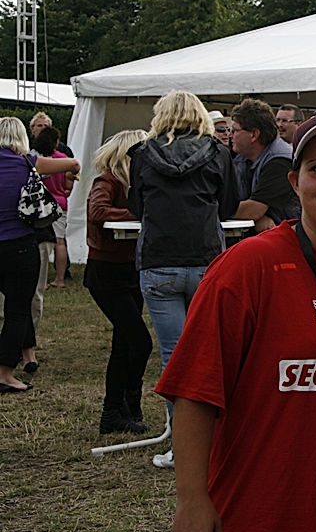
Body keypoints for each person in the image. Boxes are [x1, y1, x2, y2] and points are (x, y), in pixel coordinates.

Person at [156, 111, 316, 532]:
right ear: (292, 181)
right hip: (257, 526)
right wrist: (192, 500)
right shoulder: (247, 266)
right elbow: (195, 390)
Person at [130, 90, 238, 468]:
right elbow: (228, 206)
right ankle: (220, 443)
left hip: (159, 260)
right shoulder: (218, 152)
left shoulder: (143, 154)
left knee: (175, 360)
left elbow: (135, 207)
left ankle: (184, 448)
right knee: (212, 356)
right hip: (207, 259)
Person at [0, 117, 79, 393]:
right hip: (20, 245)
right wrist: (75, 167)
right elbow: (70, 163)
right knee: (17, 309)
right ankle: (6, 373)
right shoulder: (27, 163)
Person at [86, 129, 154, 434]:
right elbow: (98, 211)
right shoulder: (108, 180)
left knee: (125, 342)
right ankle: (121, 406)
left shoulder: (131, 184)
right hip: (107, 271)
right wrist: (136, 215)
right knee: (138, 341)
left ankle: (119, 409)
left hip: (128, 269)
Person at [231, 98, 299, 233]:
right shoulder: (242, 158)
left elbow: (253, 210)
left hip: (288, 240)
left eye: (235, 130)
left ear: (254, 135)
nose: (230, 135)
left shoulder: (280, 162)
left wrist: (211, 210)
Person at [32, 126, 75, 289]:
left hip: (41, 202)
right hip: (59, 201)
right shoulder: (63, 158)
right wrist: (68, 189)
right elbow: (71, 178)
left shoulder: (36, 159)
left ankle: (39, 278)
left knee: (39, 242)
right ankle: (60, 278)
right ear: (56, 142)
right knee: (59, 241)